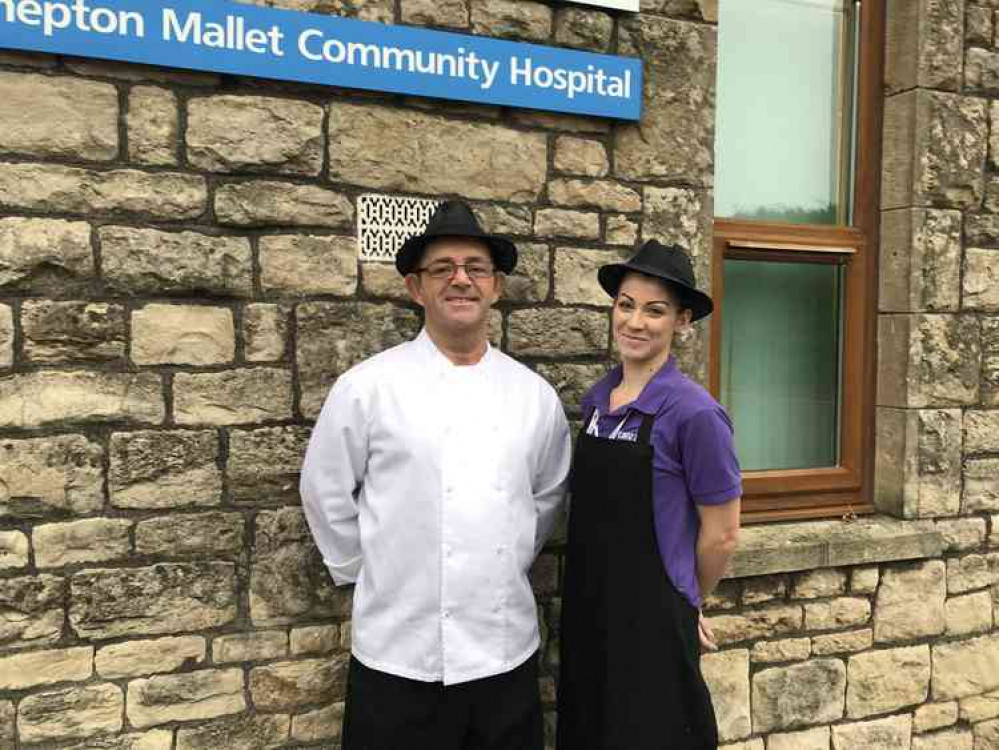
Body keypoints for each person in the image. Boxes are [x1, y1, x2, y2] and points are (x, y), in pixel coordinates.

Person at [300, 199, 571, 750]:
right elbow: (324, 488)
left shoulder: (534, 397)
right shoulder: (367, 387)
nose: (460, 280)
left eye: (475, 268)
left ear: (496, 287)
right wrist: (367, 570)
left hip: (502, 651)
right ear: (416, 289)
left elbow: (544, 501)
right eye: (442, 269)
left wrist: (502, 559)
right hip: (398, 653)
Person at [556, 239, 742, 750]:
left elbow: (722, 534)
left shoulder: (696, 415)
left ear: (682, 321)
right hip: (590, 611)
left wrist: (689, 602)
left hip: (653, 626)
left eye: (654, 311)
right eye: (626, 305)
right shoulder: (598, 400)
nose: (636, 322)